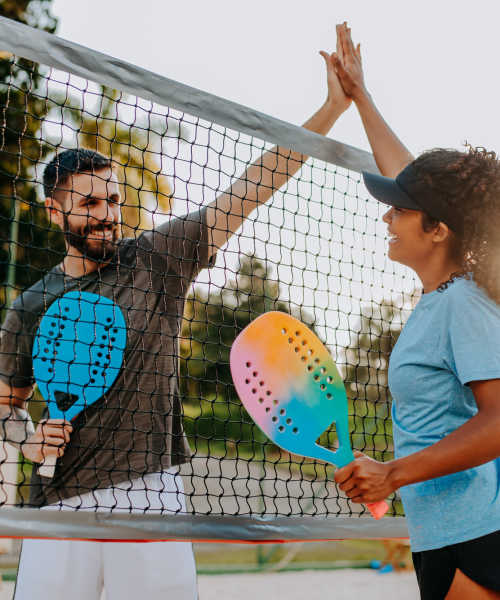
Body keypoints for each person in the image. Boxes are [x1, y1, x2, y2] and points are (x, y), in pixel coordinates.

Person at [0, 43, 352, 600]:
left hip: (151, 496)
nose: (107, 214)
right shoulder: (30, 307)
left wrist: (329, 112)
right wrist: (30, 440)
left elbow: (249, 190)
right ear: (53, 211)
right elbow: (6, 411)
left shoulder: (156, 260)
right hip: (57, 508)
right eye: (89, 204)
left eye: (113, 200)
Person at [331, 23, 500, 600]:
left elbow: (499, 420)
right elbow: (412, 179)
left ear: (436, 230)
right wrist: (361, 98)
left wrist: (393, 474)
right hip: (444, 536)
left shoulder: (464, 305)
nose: (387, 217)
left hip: (470, 540)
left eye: (399, 211)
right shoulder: (440, 298)